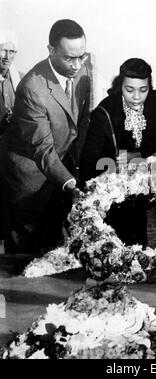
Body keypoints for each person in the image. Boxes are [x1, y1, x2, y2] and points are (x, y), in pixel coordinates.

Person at [2, 19, 91, 254]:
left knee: (55, 251)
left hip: (58, 178)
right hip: (28, 181)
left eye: (81, 56)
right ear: (51, 51)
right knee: (25, 262)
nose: (77, 64)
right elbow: (42, 148)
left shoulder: (83, 71)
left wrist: (78, 172)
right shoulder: (32, 87)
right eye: (69, 58)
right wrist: (71, 183)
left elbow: (80, 125)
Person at [80, 58, 156, 247]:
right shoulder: (103, 113)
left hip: (139, 185)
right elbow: (88, 162)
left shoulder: (155, 100)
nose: (137, 97)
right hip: (109, 186)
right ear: (121, 86)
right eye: (129, 89)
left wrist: (138, 157)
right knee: (115, 246)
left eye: (143, 89)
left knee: (139, 244)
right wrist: (114, 163)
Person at [0, 30, 23, 252]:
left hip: (8, 154)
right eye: (3, 50)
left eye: (12, 51)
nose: (7, 56)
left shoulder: (16, 78)